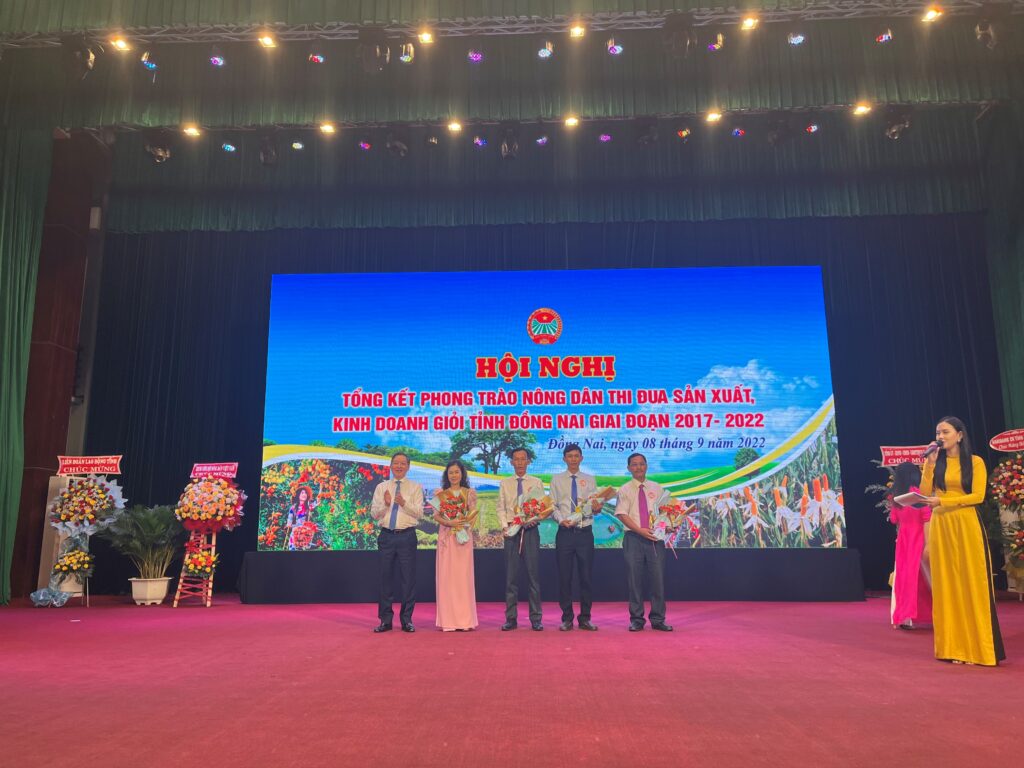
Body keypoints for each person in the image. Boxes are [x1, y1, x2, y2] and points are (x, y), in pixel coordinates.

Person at [920, 416, 1005, 665]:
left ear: (959, 435)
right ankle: (953, 647)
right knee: (946, 585)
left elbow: (977, 496)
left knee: (972, 583)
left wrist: (944, 501)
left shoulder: (975, 462)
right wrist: (929, 465)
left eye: (945, 432)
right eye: (938, 432)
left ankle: (978, 649)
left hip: (966, 523)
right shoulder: (935, 462)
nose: (940, 436)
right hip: (941, 525)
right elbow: (924, 493)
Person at [615, 453, 672, 631]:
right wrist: (640, 530)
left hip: (655, 538)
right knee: (635, 580)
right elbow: (622, 514)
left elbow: (665, 512)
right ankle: (637, 619)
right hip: (633, 538)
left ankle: (658, 619)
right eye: (634, 464)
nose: (638, 467)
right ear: (628, 468)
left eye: (641, 464)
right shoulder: (624, 489)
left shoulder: (657, 487)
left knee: (658, 580)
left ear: (646, 466)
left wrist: (668, 526)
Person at [550, 443, 602, 631]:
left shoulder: (590, 479)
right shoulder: (556, 479)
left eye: (576, 456)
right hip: (564, 533)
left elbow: (595, 506)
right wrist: (561, 520)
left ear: (582, 458)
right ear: (564, 459)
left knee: (586, 577)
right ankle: (567, 618)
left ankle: (585, 618)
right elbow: (552, 506)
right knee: (565, 577)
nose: (573, 459)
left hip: (584, 533)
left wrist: (597, 507)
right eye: (569, 456)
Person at [370, 453, 424, 633]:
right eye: (396, 463)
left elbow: (420, 513)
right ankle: (385, 620)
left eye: (403, 463)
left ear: (408, 466)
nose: (399, 466)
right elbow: (374, 514)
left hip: (407, 536)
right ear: (391, 465)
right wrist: (386, 504)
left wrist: (404, 503)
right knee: (385, 579)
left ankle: (407, 620)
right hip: (386, 536)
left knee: (408, 580)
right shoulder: (381, 487)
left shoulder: (415, 487)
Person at [496, 447, 545, 631]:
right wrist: (505, 527)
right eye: (516, 459)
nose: (520, 462)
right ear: (511, 462)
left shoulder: (536, 482)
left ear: (528, 461)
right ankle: (511, 618)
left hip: (530, 531)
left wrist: (533, 519)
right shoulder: (505, 483)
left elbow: (541, 507)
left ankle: (536, 618)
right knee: (511, 577)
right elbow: (501, 508)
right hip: (511, 531)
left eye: (523, 459)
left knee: (533, 576)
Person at [433, 460, 479, 632]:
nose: (454, 475)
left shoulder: (469, 493)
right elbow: (436, 516)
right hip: (447, 538)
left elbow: (473, 515)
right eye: (451, 472)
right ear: (447, 475)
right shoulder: (440, 494)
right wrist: (449, 522)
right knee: (447, 578)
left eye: (457, 472)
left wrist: (463, 525)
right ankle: (448, 621)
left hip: (463, 538)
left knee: (463, 578)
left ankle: (465, 621)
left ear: (462, 474)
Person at [887, 462, 932, 630]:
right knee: (928, 578)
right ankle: (938, 614)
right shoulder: (918, 495)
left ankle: (905, 617)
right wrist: (929, 543)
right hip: (920, 538)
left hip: (904, 540)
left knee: (905, 578)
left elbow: (894, 519)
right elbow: (927, 518)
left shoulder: (896, 497)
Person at [285, 485, 314, 550]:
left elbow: (318, 501)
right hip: (295, 534)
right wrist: (290, 524)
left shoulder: (308, 507)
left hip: (305, 535)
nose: (304, 494)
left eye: (306, 493)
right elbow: (289, 523)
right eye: (302, 493)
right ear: (298, 495)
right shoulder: (293, 508)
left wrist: (321, 486)